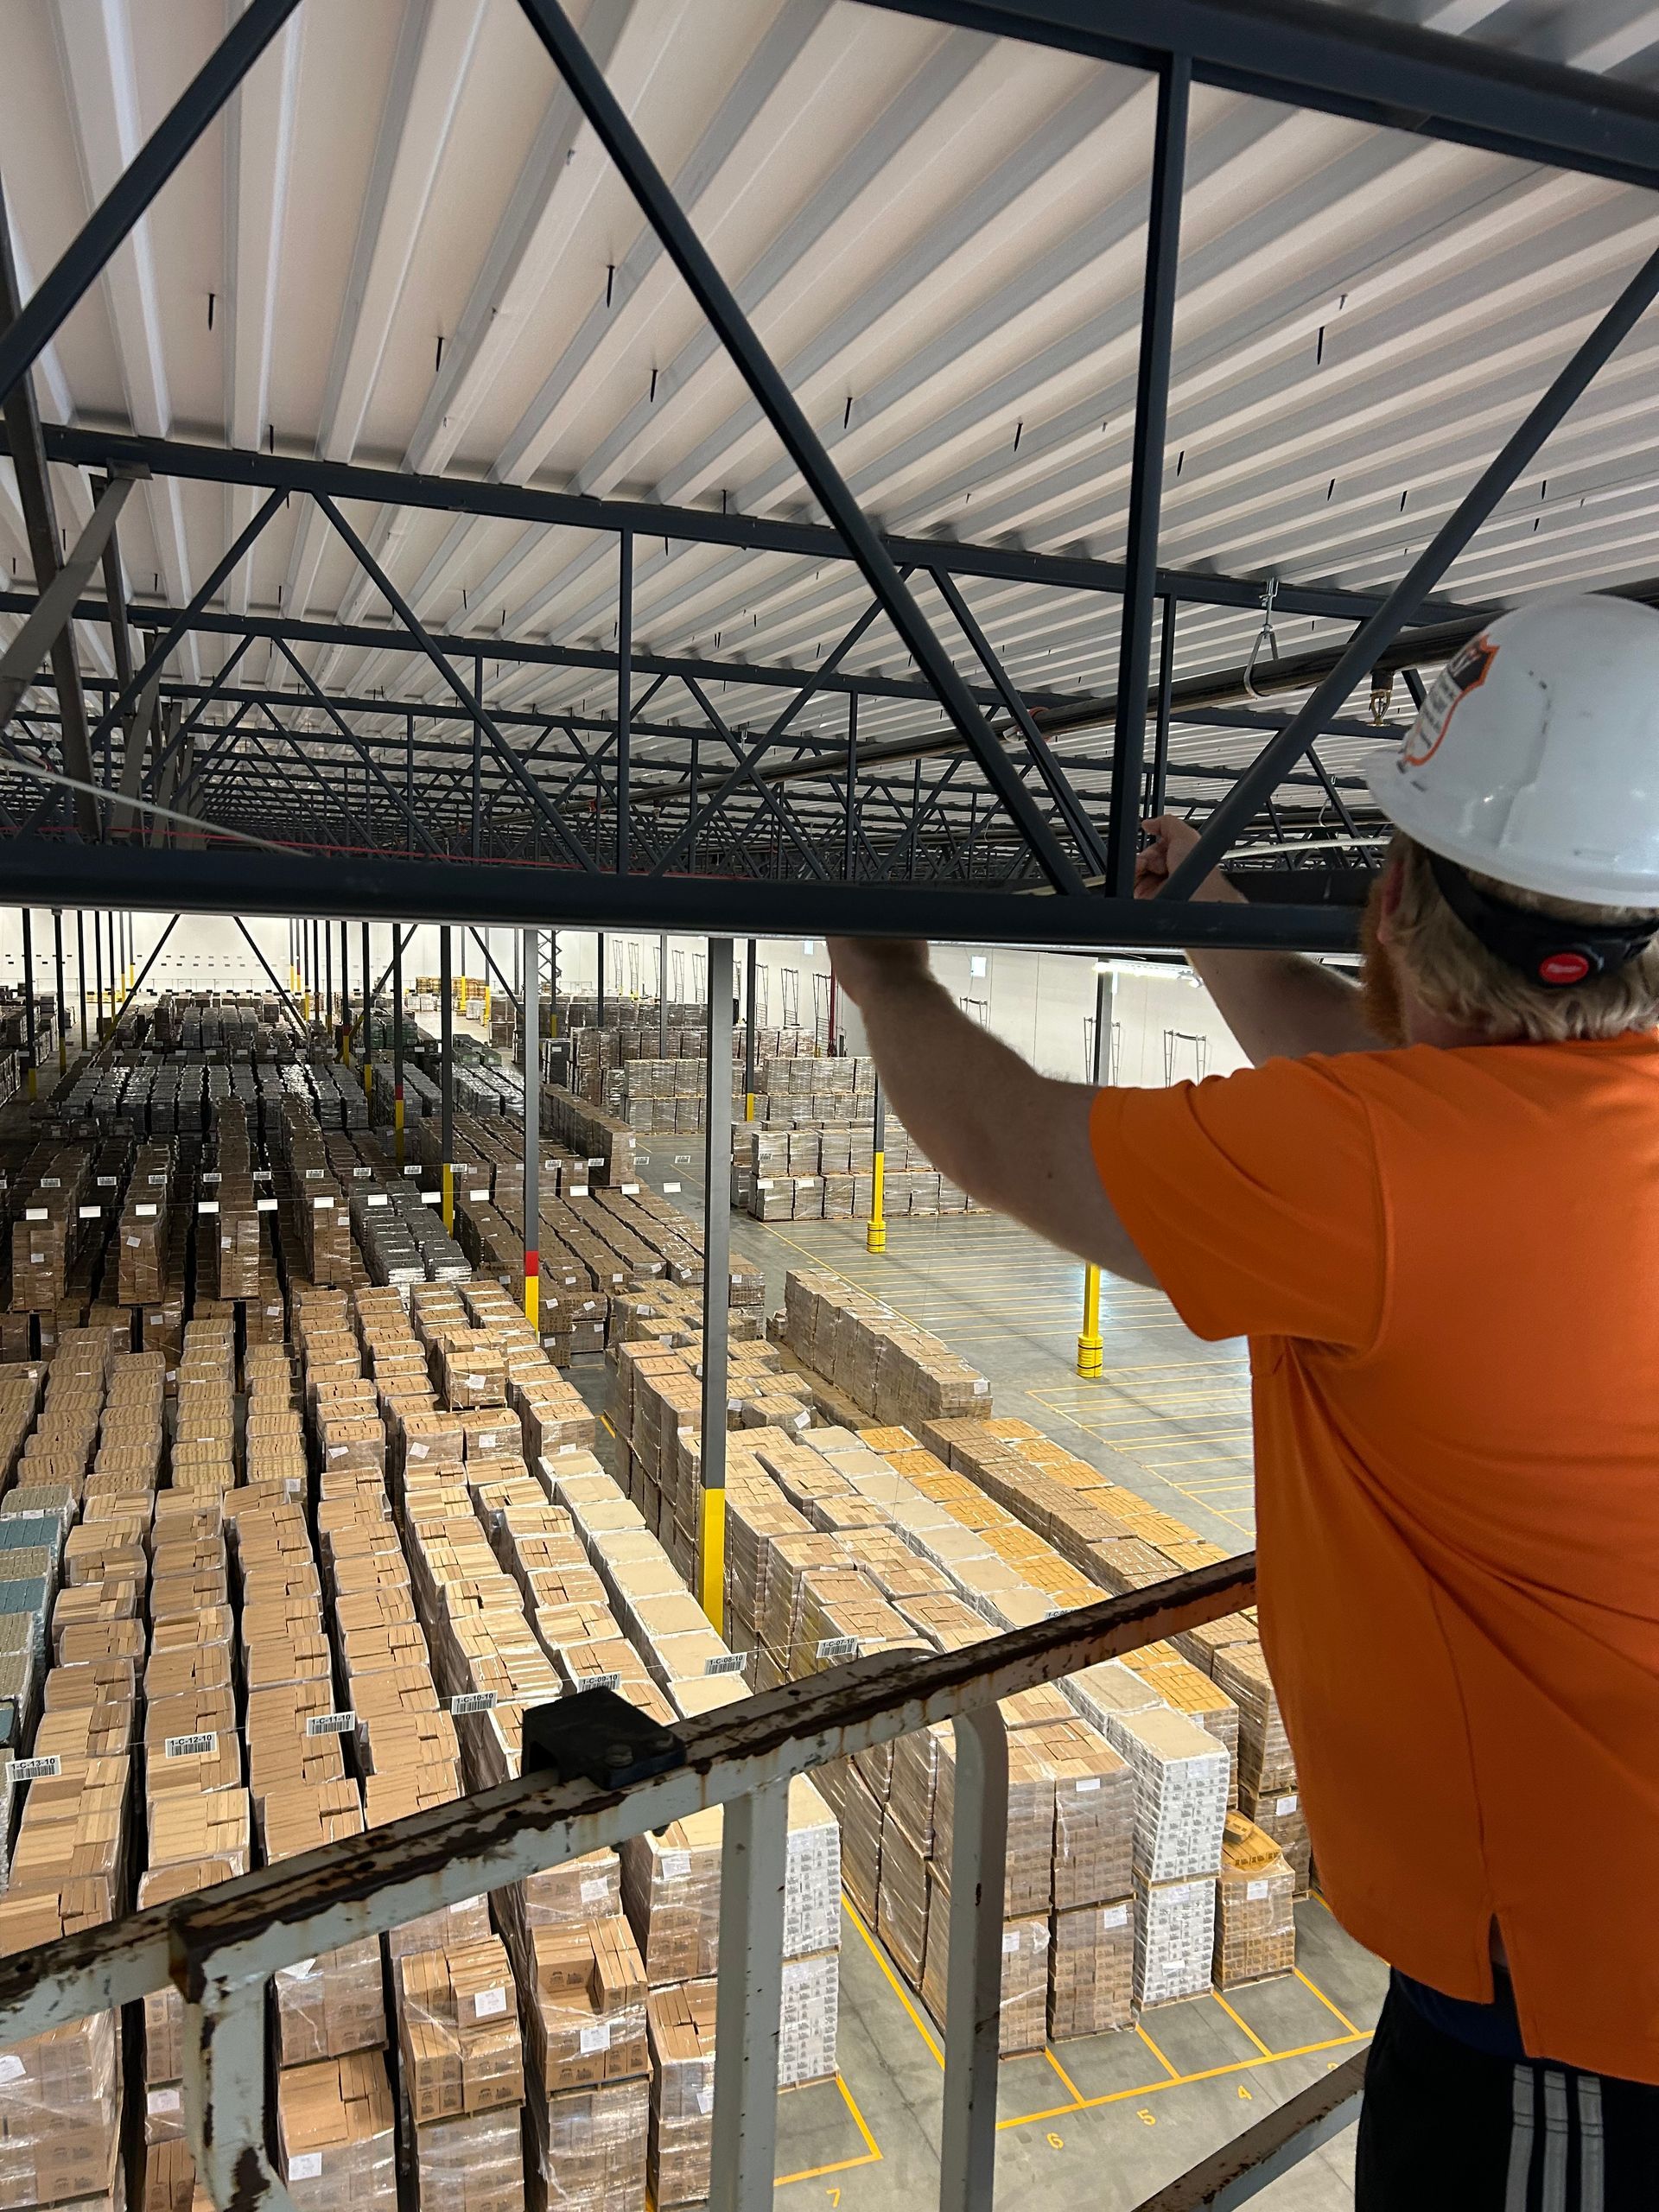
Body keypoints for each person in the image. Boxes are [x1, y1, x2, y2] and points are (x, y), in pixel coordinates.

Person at [830, 593, 1659, 2210]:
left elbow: (1012, 1139)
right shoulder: (1520, 1130)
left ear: (1402, 894)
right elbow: (1372, 1069)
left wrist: (889, 983)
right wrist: (1212, 916)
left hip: (1577, 2006)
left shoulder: (1378, 1180)